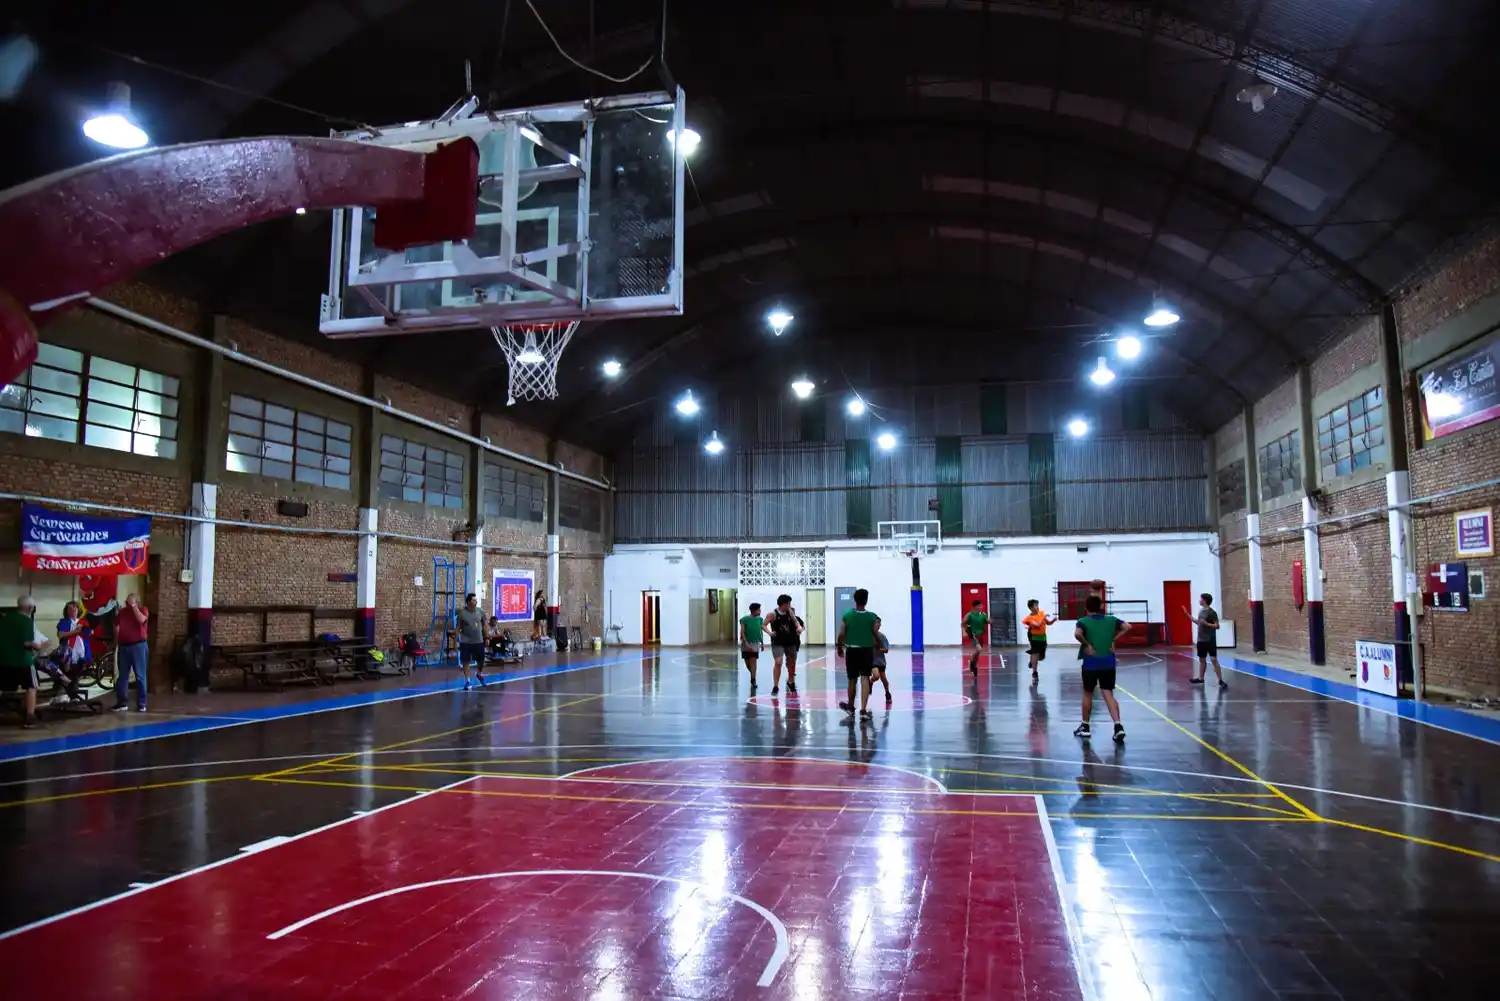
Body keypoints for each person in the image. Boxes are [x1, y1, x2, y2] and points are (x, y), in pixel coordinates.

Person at [1073, 594, 1127, 743]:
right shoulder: (1111, 620)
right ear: (1101, 607)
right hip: (1108, 662)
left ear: (1086, 608)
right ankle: (1118, 726)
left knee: (1088, 693)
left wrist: (1086, 644)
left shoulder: (1083, 621)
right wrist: (1114, 639)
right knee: (1108, 693)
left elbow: (1077, 634)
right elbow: (1127, 627)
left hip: (1091, 663)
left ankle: (1085, 727)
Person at [1, 596, 45, 728]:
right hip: (22, 661)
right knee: (31, 687)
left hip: (3, 659)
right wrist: (38, 646)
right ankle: (30, 716)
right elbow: (27, 643)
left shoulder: (4, 618)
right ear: (30, 608)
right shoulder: (26, 621)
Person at [835, 588, 878, 720]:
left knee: (852, 679)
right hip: (866, 650)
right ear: (866, 600)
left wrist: (839, 646)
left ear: (855, 600)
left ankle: (851, 707)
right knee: (865, 678)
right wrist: (878, 644)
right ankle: (863, 710)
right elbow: (875, 633)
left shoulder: (847, 615)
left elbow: (841, 634)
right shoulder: (872, 616)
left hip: (852, 650)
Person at [113, 592, 150, 713]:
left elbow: (141, 620)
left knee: (140, 676)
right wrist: (116, 641)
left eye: (132, 601)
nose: (128, 603)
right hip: (124, 646)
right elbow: (117, 627)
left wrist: (134, 607)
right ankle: (122, 702)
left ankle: (141, 704)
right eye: (128, 601)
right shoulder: (122, 612)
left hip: (138, 646)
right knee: (123, 676)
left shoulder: (143, 610)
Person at [1184, 593, 1227, 689]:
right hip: (1201, 640)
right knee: (1202, 659)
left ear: (1205, 600)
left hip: (1210, 639)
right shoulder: (1201, 612)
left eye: (1201, 599)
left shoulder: (1212, 612)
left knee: (1213, 659)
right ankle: (1200, 678)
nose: (1199, 600)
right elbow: (1198, 622)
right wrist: (1187, 614)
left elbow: (1217, 626)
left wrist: (1207, 624)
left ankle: (1220, 680)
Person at [766, 594, 804, 696]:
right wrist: (769, 633)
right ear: (783, 604)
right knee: (778, 662)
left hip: (790, 641)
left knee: (791, 662)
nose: (789, 605)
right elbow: (763, 625)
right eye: (788, 603)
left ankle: (790, 681)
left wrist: (799, 627)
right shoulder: (772, 614)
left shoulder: (790, 612)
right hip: (778, 642)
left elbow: (796, 621)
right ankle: (775, 685)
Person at [455, 593, 488, 690]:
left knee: (481, 662)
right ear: (468, 602)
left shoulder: (480, 612)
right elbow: (457, 628)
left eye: (476, 600)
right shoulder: (462, 613)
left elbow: (485, 626)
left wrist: (487, 638)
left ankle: (479, 674)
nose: (475, 602)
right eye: (473, 600)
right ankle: (468, 681)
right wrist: (455, 643)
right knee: (466, 662)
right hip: (466, 642)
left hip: (479, 641)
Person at [1022, 599, 1057, 680]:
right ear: (1031, 608)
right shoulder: (1029, 618)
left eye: (1038, 605)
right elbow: (1037, 625)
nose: (1038, 607)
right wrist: (1043, 617)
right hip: (1035, 638)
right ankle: (1034, 672)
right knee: (1035, 653)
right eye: (1036, 605)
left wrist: (1053, 620)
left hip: (1043, 637)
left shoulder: (1041, 613)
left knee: (1041, 657)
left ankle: (1032, 660)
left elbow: (1048, 623)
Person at [57, 601, 93, 669]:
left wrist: (88, 630)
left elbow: (89, 633)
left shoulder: (83, 622)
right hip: (68, 650)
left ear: (78, 609)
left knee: (79, 671)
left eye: (74, 607)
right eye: (69, 608)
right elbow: (60, 635)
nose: (72, 609)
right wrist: (76, 632)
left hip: (83, 651)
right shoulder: (63, 622)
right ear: (66, 611)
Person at [739, 602, 766, 691]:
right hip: (746, 643)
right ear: (754, 610)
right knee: (747, 663)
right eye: (758, 610)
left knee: (753, 661)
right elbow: (742, 632)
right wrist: (746, 642)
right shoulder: (744, 619)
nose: (760, 611)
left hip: (755, 643)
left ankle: (753, 679)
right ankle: (752, 674)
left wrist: (762, 643)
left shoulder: (760, 619)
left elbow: (760, 631)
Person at [962, 599, 989, 676]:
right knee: (979, 649)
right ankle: (971, 663)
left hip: (980, 635)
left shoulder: (983, 614)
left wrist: (989, 621)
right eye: (980, 605)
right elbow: (963, 623)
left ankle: (974, 666)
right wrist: (965, 632)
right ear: (976, 606)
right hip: (973, 635)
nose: (981, 606)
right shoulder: (969, 615)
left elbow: (986, 622)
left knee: (978, 653)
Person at [871, 616, 892, 705]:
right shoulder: (868, 636)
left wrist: (878, 649)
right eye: (876, 623)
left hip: (880, 661)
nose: (878, 625)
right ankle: (870, 681)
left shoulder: (882, 636)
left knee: (884, 679)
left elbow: (886, 650)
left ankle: (887, 693)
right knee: (876, 676)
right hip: (871, 661)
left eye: (879, 623)